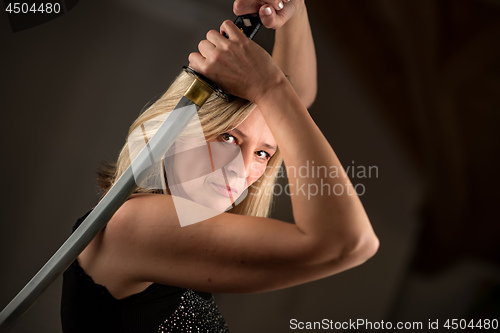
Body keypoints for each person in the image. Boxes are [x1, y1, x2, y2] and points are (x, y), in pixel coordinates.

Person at [61, 0, 379, 332]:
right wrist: (269, 87)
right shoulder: (133, 225)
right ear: (178, 131)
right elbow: (350, 242)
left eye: (262, 154)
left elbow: (295, 101)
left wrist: (293, 10)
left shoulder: (166, 224)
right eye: (228, 138)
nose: (241, 169)